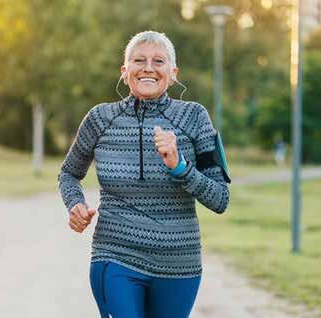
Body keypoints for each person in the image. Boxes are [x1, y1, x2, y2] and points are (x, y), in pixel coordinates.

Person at [58, 30, 231, 318]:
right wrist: (74, 204)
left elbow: (220, 199)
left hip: (178, 264)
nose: (148, 68)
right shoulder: (100, 118)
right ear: (125, 72)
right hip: (115, 255)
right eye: (139, 60)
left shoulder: (195, 118)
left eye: (159, 61)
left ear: (173, 73)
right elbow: (68, 173)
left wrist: (180, 167)